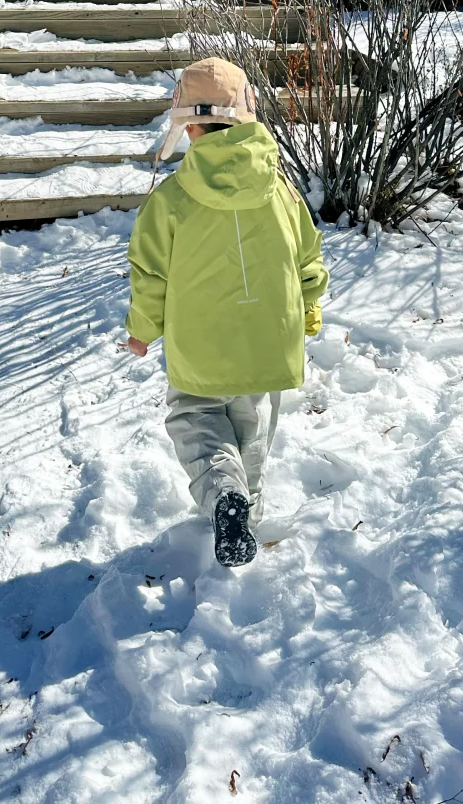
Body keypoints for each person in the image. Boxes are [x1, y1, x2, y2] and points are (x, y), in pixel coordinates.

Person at [123, 57, 329, 567]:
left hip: (200, 342)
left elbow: (151, 273)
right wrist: (308, 305)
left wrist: (142, 329)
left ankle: (225, 498)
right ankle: (246, 514)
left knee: (195, 415)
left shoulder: (171, 200)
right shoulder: (281, 189)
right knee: (251, 427)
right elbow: (307, 254)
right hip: (268, 339)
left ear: (189, 128)